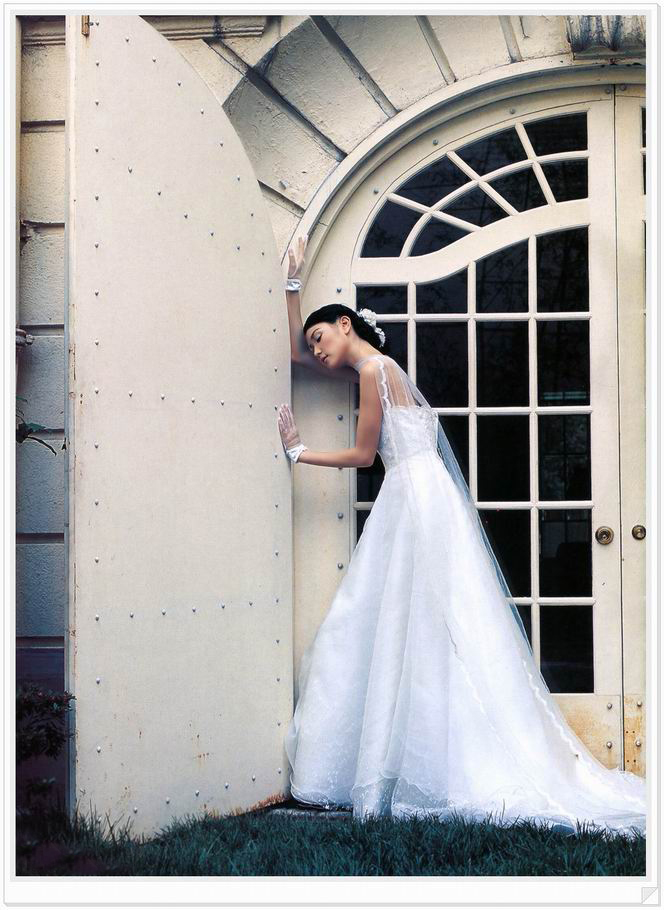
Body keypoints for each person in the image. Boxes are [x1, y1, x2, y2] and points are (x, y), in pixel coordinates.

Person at [276, 234, 647, 838]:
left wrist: (300, 453)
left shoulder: (372, 371)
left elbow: (366, 455)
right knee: (423, 621)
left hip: (411, 497)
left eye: (321, 336)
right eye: (314, 342)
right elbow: (296, 357)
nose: (315, 350)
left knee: (407, 620)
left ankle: (416, 763)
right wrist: (291, 286)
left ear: (347, 325)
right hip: (423, 494)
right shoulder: (379, 369)